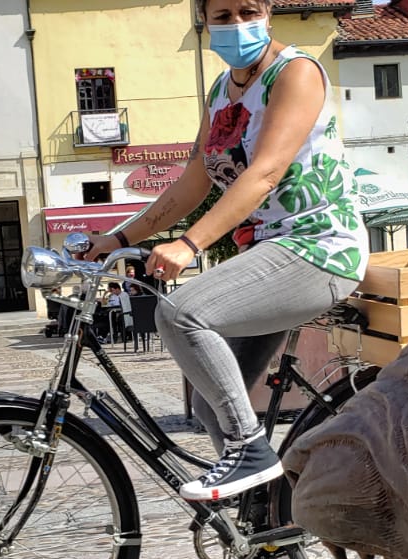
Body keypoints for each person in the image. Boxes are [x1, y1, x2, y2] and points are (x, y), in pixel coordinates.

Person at [77, 0, 366, 505]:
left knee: (182, 312)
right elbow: (191, 184)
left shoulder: (295, 73)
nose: (236, 24)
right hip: (270, 255)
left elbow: (265, 174)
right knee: (213, 406)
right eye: (224, 15)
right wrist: (118, 239)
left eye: (247, 10)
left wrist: (190, 244)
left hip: (319, 246)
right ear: (205, 22)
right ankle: (265, 515)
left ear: (269, 12)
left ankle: (250, 452)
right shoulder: (222, 92)